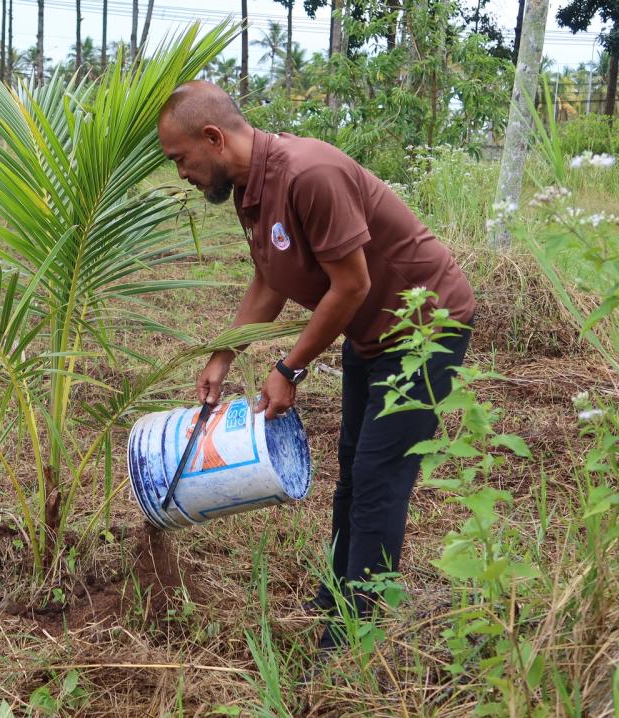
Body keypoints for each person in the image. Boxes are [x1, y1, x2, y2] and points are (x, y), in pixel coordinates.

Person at [156, 81, 476, 655]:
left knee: (380, 478)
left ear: (212, 137)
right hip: (371, 332)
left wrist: (290, 367)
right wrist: (224, 354)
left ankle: (353, 632)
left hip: (425, 327)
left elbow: (353, 284)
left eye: (181, 159)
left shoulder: (309, 174)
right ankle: (339, 594)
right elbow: (269, 281)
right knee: (352, 466)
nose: (181, 173)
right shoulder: (249, 191)